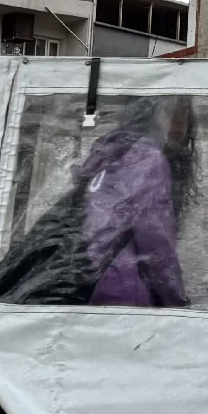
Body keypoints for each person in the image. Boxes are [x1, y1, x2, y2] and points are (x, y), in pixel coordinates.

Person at [83, 96, 196, 308]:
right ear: (150, 113)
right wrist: (176, 302)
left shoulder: (112, 151)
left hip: (89, 286)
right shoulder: (148, 158)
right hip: (121, 291)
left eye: (185, 114)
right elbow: (155, 245)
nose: (179, 123)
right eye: (171, 112)